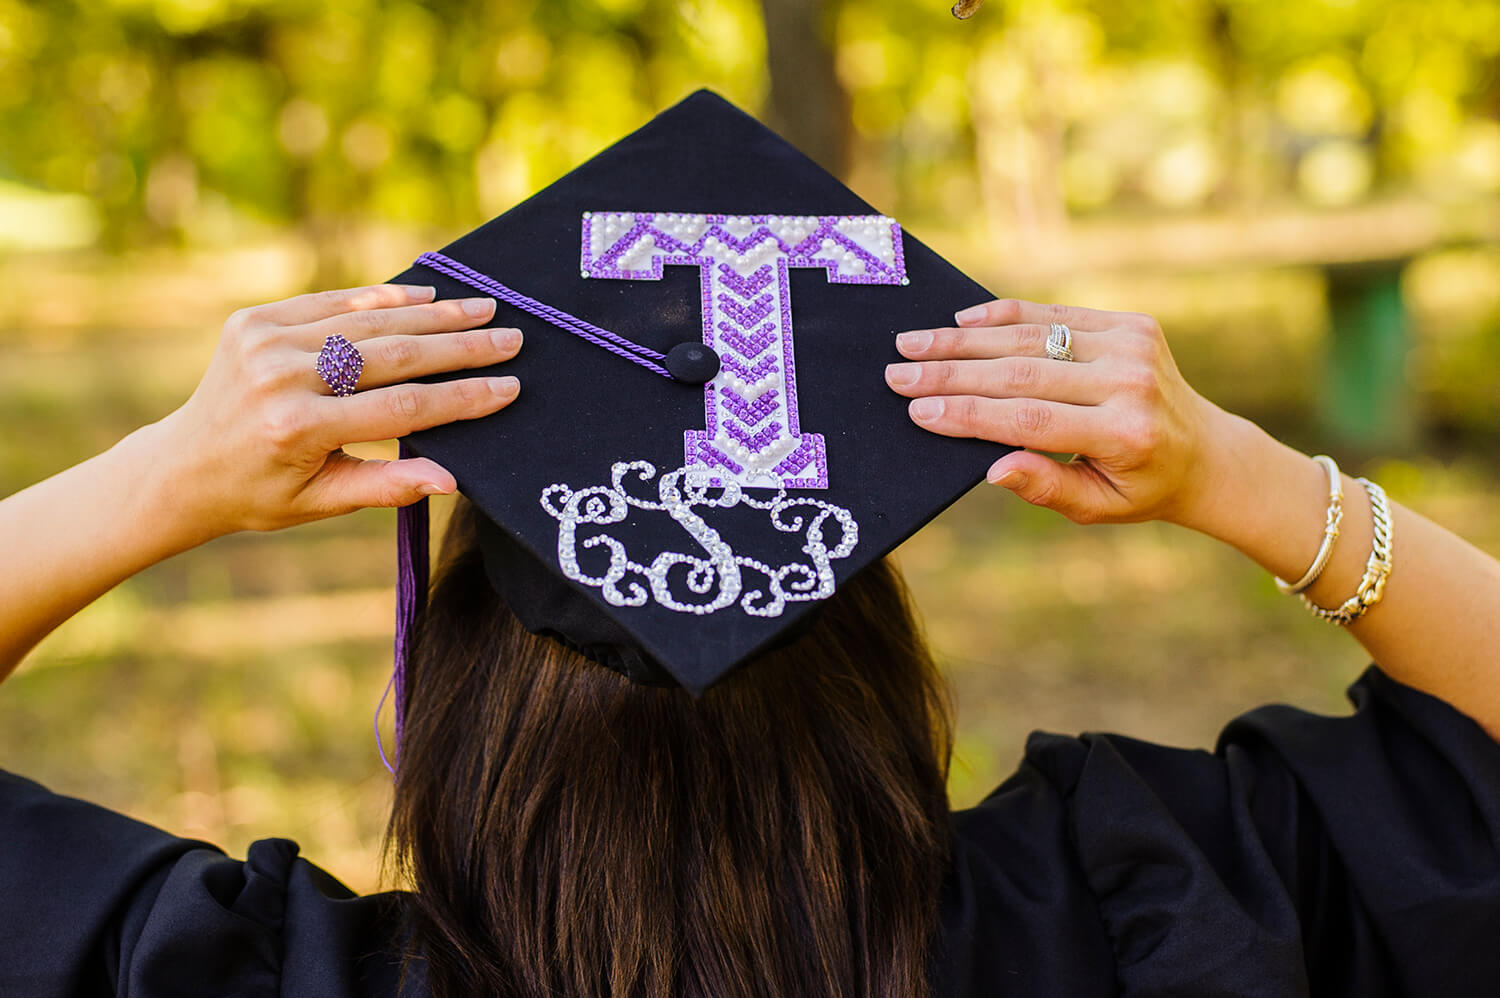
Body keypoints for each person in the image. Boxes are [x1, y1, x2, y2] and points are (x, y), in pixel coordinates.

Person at [2, 281, 1498, 998]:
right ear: (888, 665)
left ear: (434, 692)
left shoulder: (239, 980)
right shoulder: (1147, 904)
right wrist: (1258, 482)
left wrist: (160, 480)